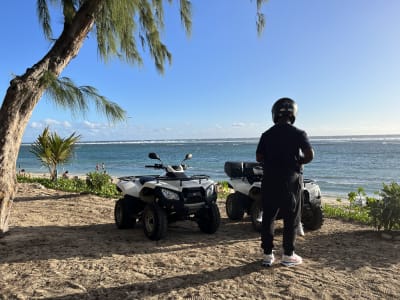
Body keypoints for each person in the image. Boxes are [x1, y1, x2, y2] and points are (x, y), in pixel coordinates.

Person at [256, 97, 314, 267]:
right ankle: (288, 255)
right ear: (293, 114)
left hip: (269, 180)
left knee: (269, 217)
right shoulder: (298, 133)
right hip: (290, 181)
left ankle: (267, 255)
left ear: (275, 114)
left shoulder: (266, 134)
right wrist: (298, 161)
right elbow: (310, 155)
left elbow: (259, 157)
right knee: (291, 218)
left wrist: (272, 160)